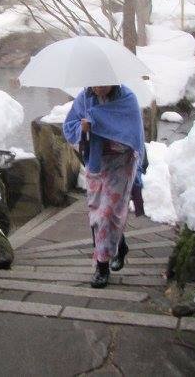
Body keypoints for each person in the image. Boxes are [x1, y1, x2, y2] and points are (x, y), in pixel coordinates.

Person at [63, 84, 146, 288]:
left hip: (122, 161)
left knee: (108, 213)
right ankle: (120, 244)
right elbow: (68, 126)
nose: (98, 88)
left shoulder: (127, 98)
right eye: (95, 84)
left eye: (103, 84)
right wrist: (82, 129)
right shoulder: (84, 97)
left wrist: (101, 123)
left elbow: (133, 134)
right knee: (97, 213)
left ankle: (102, 267)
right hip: (96, 160)